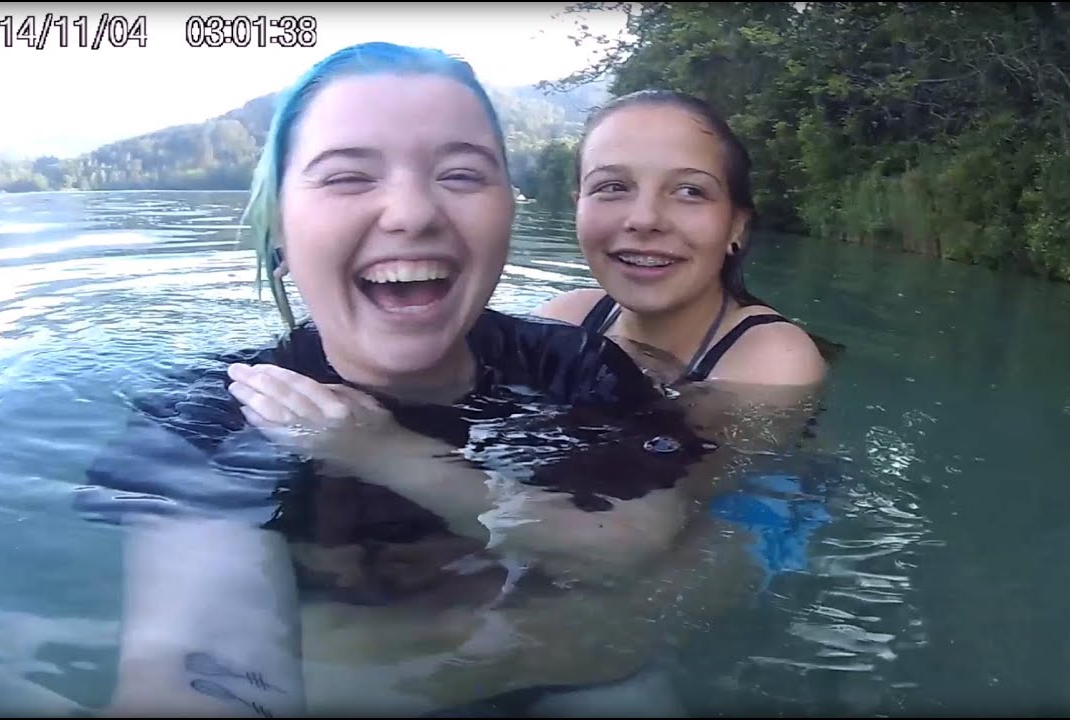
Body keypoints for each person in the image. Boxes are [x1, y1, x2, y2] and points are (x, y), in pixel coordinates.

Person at [74, 42, 762, 718]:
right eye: (347, 176)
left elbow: (661, 546)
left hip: (557, 673)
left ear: (508, 213)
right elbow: (204, 665)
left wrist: (389, 455)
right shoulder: (214, 417)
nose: (412, 213)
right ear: (279, 228)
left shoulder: (577, 370)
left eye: (461, 175)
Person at [534, 89, 839, 399]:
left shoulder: (774, 363)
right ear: (578, 207)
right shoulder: (565, 318)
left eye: (690, 191)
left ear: (737, 226)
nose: (644, 219)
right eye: (612, 186)